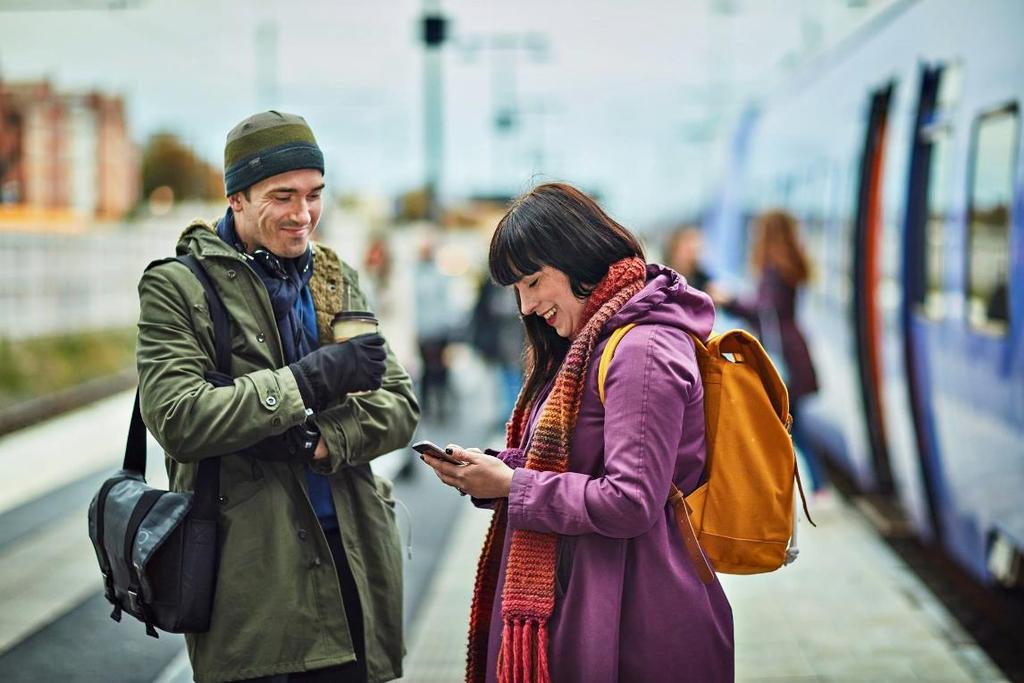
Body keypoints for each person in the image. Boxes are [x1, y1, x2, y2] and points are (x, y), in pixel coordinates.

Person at [136, 111, 419, 683]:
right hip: (247, 570)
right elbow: (178, 417)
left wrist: (320, 440)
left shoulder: (334, 278)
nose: (303, 214)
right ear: (235, 197)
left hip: (351, 550)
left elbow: (397, 403)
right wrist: (310, 382)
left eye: (315, 194)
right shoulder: (178, 286)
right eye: (282, 196)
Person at [421, 183, 734, 682]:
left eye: (532, 282)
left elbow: (631, 500)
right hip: (603, 597)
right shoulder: (595, 340)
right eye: (516, 290)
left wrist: (511, 486)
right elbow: (579, 464)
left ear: (575, 258)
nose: (525, 306)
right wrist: (499, 469)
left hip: (635, 620)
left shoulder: (642, 350)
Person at [713, 209, 825, 494]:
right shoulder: (790, 264)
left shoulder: (773, 269)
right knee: (789, 422)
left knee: (787, 423)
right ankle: (810, 485)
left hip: (782, 355)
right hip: (792, 350)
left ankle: (812, 486)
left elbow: (764, 310)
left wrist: (729, 300)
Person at [469, 275, 525, 427]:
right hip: (501, 342)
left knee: (514, 377)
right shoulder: (492, 282)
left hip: (515, 340)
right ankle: (511, 413)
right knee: (505, 378)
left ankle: (515, 412)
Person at [664, 224, 714, 293]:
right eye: (687, 246)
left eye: (696, 246)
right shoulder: (661, 277)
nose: (693, 247)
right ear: (674, 247)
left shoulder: (703, 281)